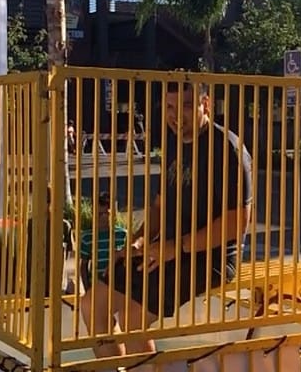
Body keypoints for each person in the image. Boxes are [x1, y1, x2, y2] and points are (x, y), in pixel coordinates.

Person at [82, 80, 253, 357]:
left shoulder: (227, 149)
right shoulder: (174, 143)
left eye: (186, 105)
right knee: (91, 303)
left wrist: (176, 248)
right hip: (166, 249)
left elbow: (237, 223)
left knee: (131, 320)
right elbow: (159, 207)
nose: (176, 115)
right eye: (170, 106)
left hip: (211, 255)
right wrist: (136, 242)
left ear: (205, 104)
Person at [80, 192, 127, 290]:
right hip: (98, 286)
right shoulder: (87, 238)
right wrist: (87, 289)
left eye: (106, 213)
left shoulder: (123, 235)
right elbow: (83, 265)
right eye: (99, 214)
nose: (103, 217)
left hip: (119, 286)